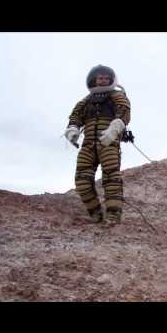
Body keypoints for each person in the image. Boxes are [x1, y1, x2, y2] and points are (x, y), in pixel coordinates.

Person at [64, 65, 131, 226]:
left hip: (108, 142)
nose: (102, 80)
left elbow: (124, 113)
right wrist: (72, 129)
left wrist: (114, 129)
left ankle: (113, 215)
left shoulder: (117, 96)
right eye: (100, 78)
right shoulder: (85, 101)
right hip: (88, 145)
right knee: (81, 180)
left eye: (105, 78)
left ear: (111, 79)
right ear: (94, 79)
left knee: (111, 179)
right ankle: (95, 214)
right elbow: (75, 117)